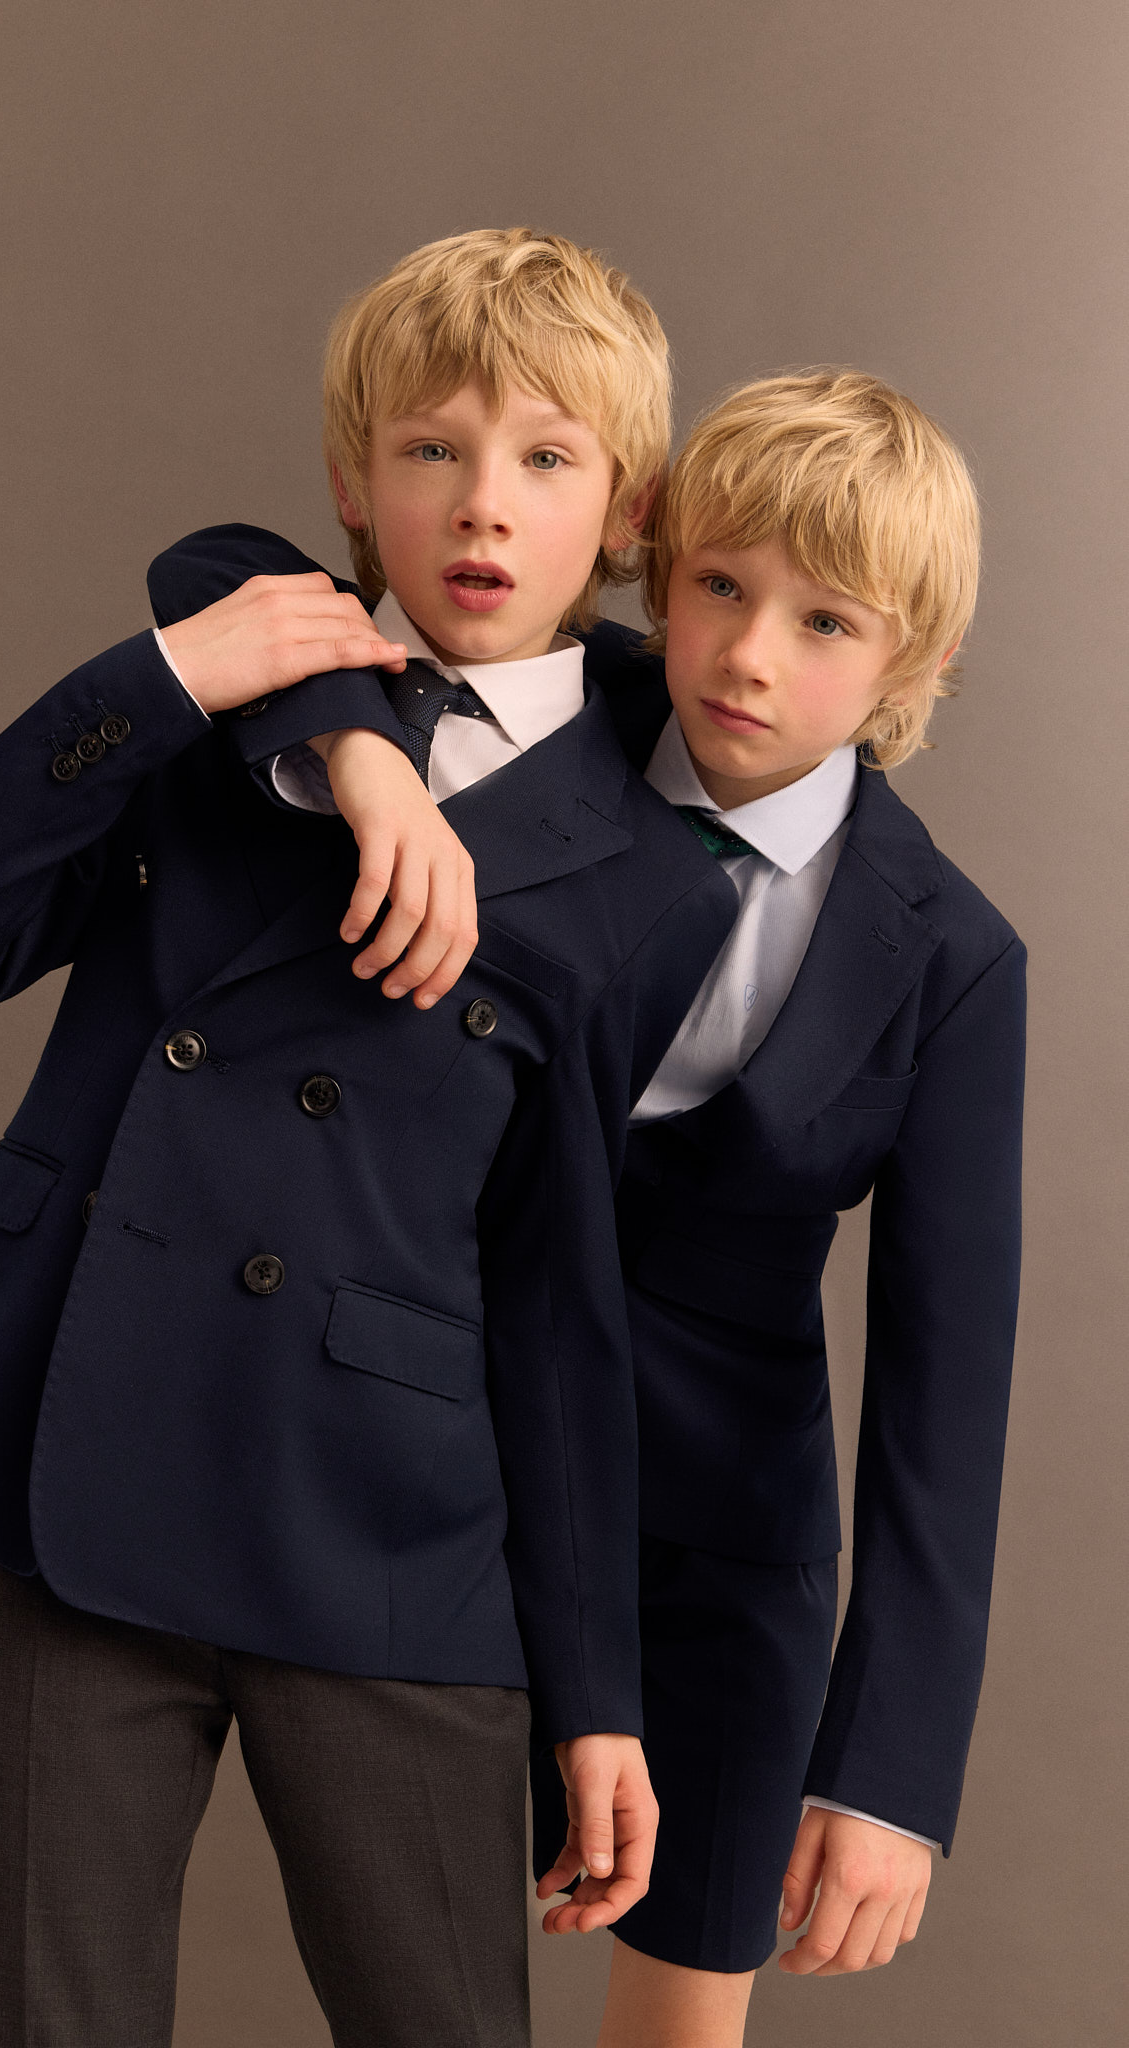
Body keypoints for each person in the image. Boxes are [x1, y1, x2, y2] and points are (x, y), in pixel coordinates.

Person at [0, 229, 741, 2048]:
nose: (482, 505)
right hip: (82, 1472)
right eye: (430, 450)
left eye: (546, 458)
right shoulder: (224, 695)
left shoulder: (656, 875)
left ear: (626, 510)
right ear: (351, 482)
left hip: (396, 1528)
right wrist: (175, 677)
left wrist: (598, 1690)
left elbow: (568, 1304)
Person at [211, 371, 1024, 2048]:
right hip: (437, 1475)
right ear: (656, 565)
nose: (746, 656)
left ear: (916, 664)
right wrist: (359, 754)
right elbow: (244, 592)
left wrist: (888, 1774)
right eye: (719, 586)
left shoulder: (948, 956)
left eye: (824, 622)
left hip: (716, 1554)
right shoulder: (534, 717)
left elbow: (944, 1394)